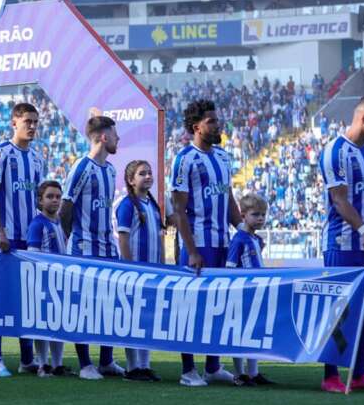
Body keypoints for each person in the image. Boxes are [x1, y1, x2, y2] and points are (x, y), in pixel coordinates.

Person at [317, 96, 364, 393]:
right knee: (339, 311)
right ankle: (330, 376)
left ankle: (359, 371)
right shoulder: (335, 151)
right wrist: (363, 229)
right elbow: (339, 199)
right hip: (341, 243)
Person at [170, 99, 241, 386]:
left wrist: (243, 229)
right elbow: (179, 210)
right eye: (211, 121)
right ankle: (188, 370)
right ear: (196, 127)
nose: (217, 125)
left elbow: (229, 198)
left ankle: (213, 366)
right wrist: (191, 250)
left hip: (223, 241)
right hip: (198, 243)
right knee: (191, 306)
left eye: (217, 120)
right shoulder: (185, 159)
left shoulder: (224, 158)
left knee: (219, 305)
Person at [60, 115, 125, 380]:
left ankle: (106, 361)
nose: (119, 139)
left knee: (108, 305)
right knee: (83, 306)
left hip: (106, 248)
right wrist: (67, 244)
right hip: (83, 248)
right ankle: (85, 364)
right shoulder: (81, 167)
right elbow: (66, 208)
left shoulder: (110, 170)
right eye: (115, 134)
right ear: (103, 136)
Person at [0, 103, 45, 375]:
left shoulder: (36, 158)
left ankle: (26, 359)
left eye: (35, 121)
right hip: (6, 238)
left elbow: (40, 199)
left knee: (28, 298)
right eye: (27, 121)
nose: (32, 126)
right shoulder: (2, 153)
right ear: (14, 123)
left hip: (30, 240)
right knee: (0, 297)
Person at [115, 160, 163, 383]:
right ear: (131, 180)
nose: (147, 176)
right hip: (135, 273)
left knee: (147, 320)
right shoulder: (127, 205)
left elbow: (160, 239)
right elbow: (123, 238)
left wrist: (163, 266)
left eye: (149, 172)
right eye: (142, 173)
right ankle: (132, 367)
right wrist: (129, 267)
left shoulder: (153, 206)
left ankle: (145, 365)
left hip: (153, 272)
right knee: (133, 320)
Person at [225, 193, 273, 386]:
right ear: (243, 215)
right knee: (240, 333)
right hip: (243, 293)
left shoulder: (255, 239)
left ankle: (253, 372)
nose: (260, 218)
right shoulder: (239, 239)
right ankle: (240, 373)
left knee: (254, 332)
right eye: (255, 214)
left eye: (263, 214)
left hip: (256, 292)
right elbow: (230, 267)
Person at [26, 180, 70, 377]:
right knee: (43, 324)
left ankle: (58, 363)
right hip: (43, 282)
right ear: (40, 200)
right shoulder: (37, 224)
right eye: (50, 197)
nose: (55, 200)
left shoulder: (59, 222)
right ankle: (43, 364)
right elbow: (33, 256)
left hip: (59, 281)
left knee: (58, 323)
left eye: (58, 197)